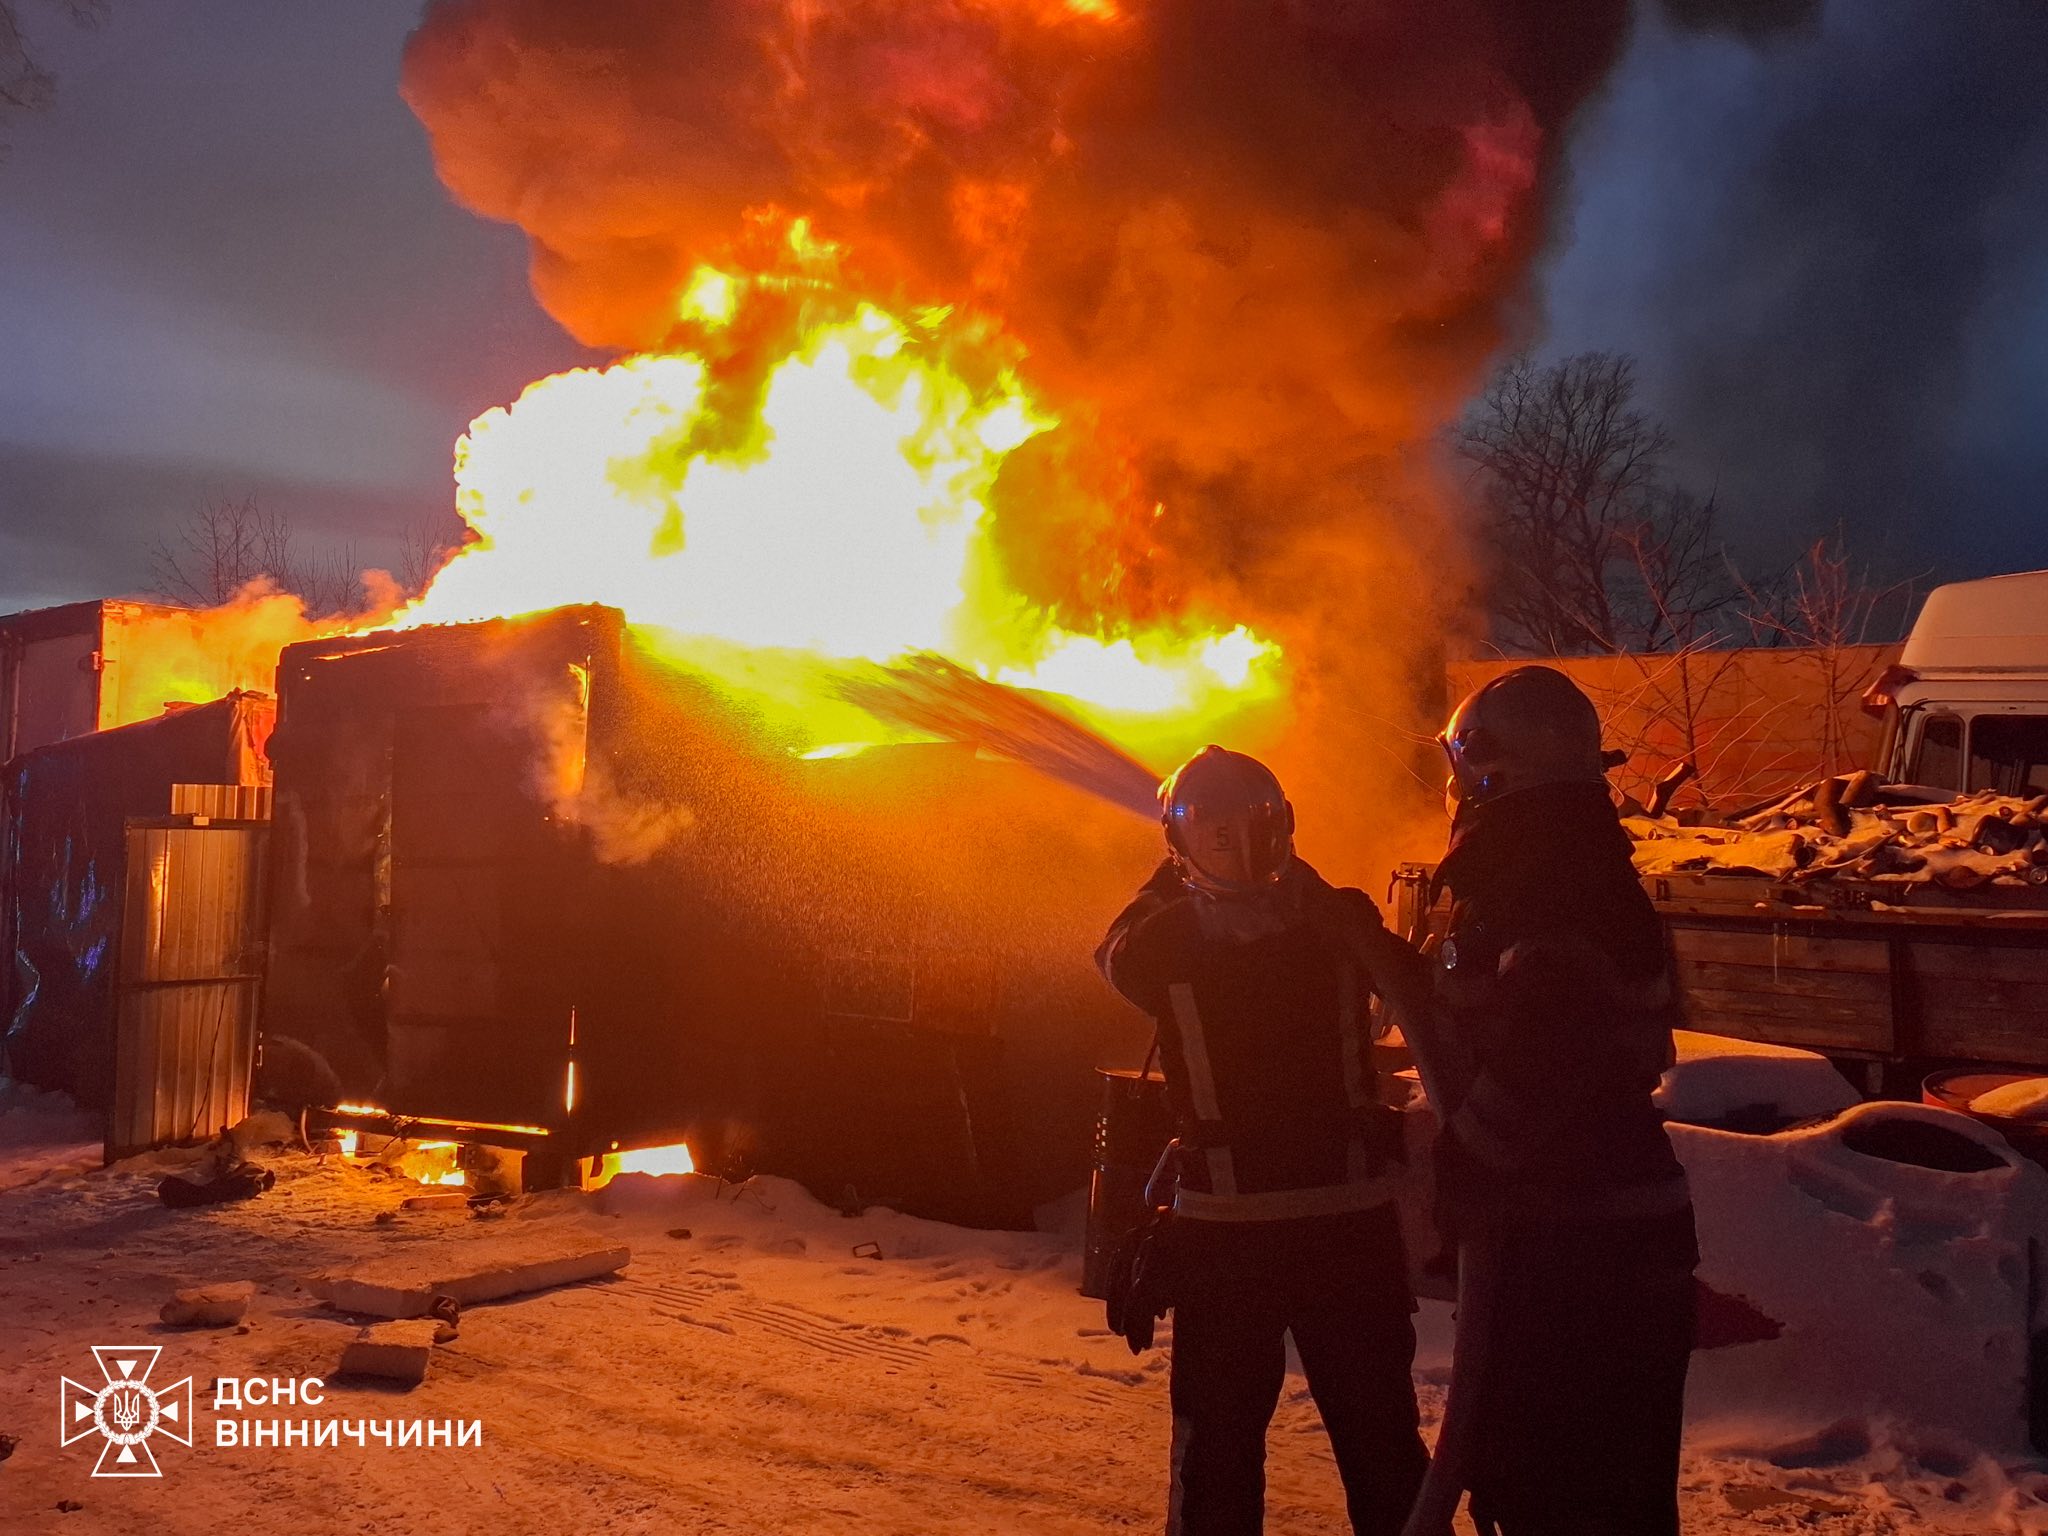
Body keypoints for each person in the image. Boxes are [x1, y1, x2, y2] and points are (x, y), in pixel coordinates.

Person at [1096, 745, 1429, 1536]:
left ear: (1180, 842)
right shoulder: (1344, 923)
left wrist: (1169, 867)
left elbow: (1116, 951)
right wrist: (1308, 886)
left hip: (1228, 1238)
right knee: (1384, 1446)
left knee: (1216, 1454)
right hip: (1350, 1229)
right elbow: (1416, 987)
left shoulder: (1164, 941)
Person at [1400, 666, 1699, 1536]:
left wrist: (1463, 1162)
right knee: (1606, 1501)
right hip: (1609, 1231)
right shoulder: (1577, 867)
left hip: (1574, 1246)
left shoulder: (1541, 882)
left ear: (1494, 773)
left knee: (1551, 1496)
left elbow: (1548, 1053)